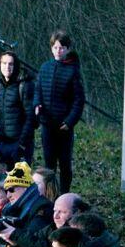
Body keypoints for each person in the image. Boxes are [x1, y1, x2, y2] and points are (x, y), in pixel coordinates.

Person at [31, 31, 84, 192]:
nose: (58, 51)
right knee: (49, 163)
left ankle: (64, 194)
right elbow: (38, 90)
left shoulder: (73, 71)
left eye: (61, 48)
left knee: (65, 164)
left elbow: (79, 100)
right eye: (55, 47)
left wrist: (69, 121)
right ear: (51, 48)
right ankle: (50, 194)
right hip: (47, 124)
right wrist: (37, 104)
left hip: (64, 126)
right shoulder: (45, 67)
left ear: (67, 49)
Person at [0, 50, 35, 164]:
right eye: (4, 63)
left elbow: (31, 117)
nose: (7, 67)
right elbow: (0, 115)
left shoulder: (24, 85)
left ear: (16, 66)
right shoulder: (0, 85)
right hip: (3, 144)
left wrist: (22, 144)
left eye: (11, 64)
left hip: (20, 144)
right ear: (0, 65)